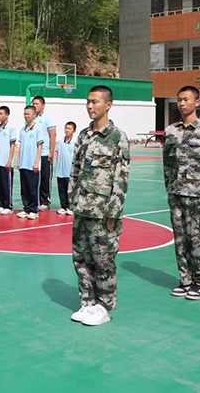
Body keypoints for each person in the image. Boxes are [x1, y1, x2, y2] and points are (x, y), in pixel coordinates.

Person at [68, 85, 130, 327]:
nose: (90, 106)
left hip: (103, 212)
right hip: (81, 208)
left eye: (95, 101)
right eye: (88, 101)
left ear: (108, 105)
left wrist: (114, 211)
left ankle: (104, 306)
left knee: (103, 260)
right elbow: (75, 170)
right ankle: (88, 302)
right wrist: (72, 198)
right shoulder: (83, 135)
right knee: (81, 257)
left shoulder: (117, 137)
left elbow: (121, 177)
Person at [163, 85, 200, 301]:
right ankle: (185, 280)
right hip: (176, 193)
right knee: (180, 238)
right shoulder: (170, 131)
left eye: (186, 99)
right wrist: (169, 188)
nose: (181, 103)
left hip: (199, 194)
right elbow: (167, 163)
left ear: (197, 102)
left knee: (199, 238)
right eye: (179, 99)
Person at [17, 106, 43, 219]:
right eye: (25, 114)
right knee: (24, 188)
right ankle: (26, 208)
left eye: (28, 114)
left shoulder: (37, 130)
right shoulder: (22, 130)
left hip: (32, 164)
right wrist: (19, 161)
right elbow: (20, 146)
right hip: (23, 164)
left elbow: (40, 146)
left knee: (32, 188)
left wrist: (36, 162)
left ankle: (34, 210)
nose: (26, 116)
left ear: (34, 115)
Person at [32, 96, 57, 210]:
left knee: (45, 178)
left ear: (43, 105)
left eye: (36, 104)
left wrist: (51, 152)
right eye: (33, 104)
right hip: (35, 154)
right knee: (34, 178)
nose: (34, 106)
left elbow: (53, 135)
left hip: (45, 153)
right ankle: (35, 200)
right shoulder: (32, 120)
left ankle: (45, 201)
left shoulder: (47, 119)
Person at [0, 106, 16, 215]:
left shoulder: (11, 128)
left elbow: (12, 145)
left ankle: (8, 206)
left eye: (1, 113)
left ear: (7, 115)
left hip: (5, 161)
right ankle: (1, 204)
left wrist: (10, 160)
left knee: (6, 185)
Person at [54, 121, 77, 216]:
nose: (67, 130)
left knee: (70, 190)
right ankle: (63, 206)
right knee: (61, 190)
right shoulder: (60, 142)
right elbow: (57, 153)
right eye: (66, 128)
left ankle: (71, 207)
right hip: (61, 170)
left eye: (69, 129)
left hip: (70, 171)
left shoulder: (75, 143)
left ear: (74, 131)